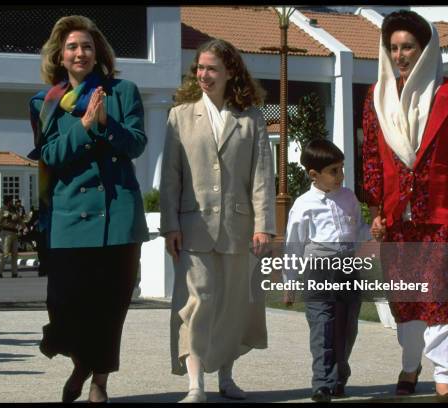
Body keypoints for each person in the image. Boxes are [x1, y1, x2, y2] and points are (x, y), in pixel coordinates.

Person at [362, 10, 448, 400]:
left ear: (426, 49)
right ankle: (410, 363)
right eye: (394, 48)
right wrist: (377, 211)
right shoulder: (376, 98)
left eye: (409, 47)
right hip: (399, 219)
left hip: (446, 213)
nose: (401, 55)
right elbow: (370, 156)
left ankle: (445, 378)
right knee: (408, 297)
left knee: (445, 297)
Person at [29, 15, 148, 403]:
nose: (80, 53)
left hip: (118, 218)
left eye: (87, 46)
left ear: (98, 54)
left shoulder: (123, 91)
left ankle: (99, 381)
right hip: (67, 219)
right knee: (64, 308)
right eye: (72, 47)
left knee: (110, 308)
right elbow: (48, 155)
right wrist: (82, 126)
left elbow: (136, 145)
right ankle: (81, 362)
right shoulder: (43, 103)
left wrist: (105, 122)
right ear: (60, 57)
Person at [159, 38, 275, 403]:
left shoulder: (252, 117)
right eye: (200, 68)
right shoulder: (180, 115)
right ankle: (196, 384)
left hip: (239, 228)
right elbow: (171, 178)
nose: (204, 75)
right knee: (198, 301)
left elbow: (261, 176)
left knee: (233, 303)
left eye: (211, 68)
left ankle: (226, 377)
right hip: (193, 228)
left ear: (230, 72)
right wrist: (170, 225)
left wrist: (263, 225)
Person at [284, 139, 374, 402]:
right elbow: (293, 245)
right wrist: (290, 282)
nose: (341, 175)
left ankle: (338, 377)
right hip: (318, 270)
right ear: (314, 174)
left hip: (348, 268)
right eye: (334, 170)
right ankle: (321, 383)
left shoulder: (348, 198)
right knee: (322, 326)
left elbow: (357, 232)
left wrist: (373, 232)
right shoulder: (303, 205)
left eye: (341, 168)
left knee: (346, 327)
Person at [0, 196, 24, 278]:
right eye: (10, 201)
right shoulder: (3, 209)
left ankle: (14, 272)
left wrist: (24, 227)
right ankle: (0, 272)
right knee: (5, 254)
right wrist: (9, 216)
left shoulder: (13, 209)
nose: (12, 203)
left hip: (14, 233)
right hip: (6, 232)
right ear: (7, 202)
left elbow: (19, 219)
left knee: (15, 254)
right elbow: (0, 221)